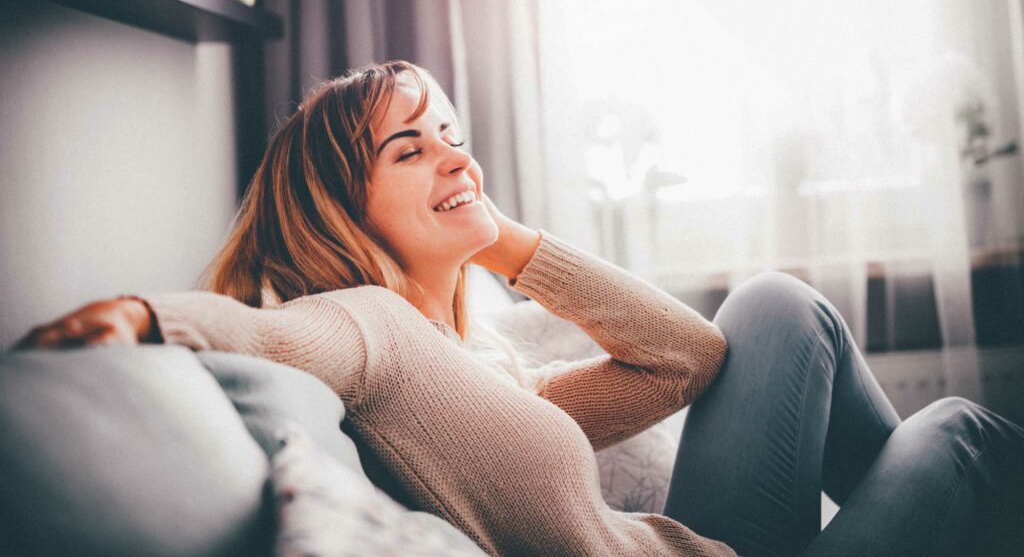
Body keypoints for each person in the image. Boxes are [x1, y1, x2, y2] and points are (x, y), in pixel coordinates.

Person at [16, 61, 1024, 556]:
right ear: (338, 204)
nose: (455, 155)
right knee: (959, 434)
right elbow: (274, 332)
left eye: (452, 133)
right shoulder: (370, 321)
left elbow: (685, 361)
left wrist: (497, 237)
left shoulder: (476, 361)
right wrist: (140, 312)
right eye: (409, 150)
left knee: (773, 305)